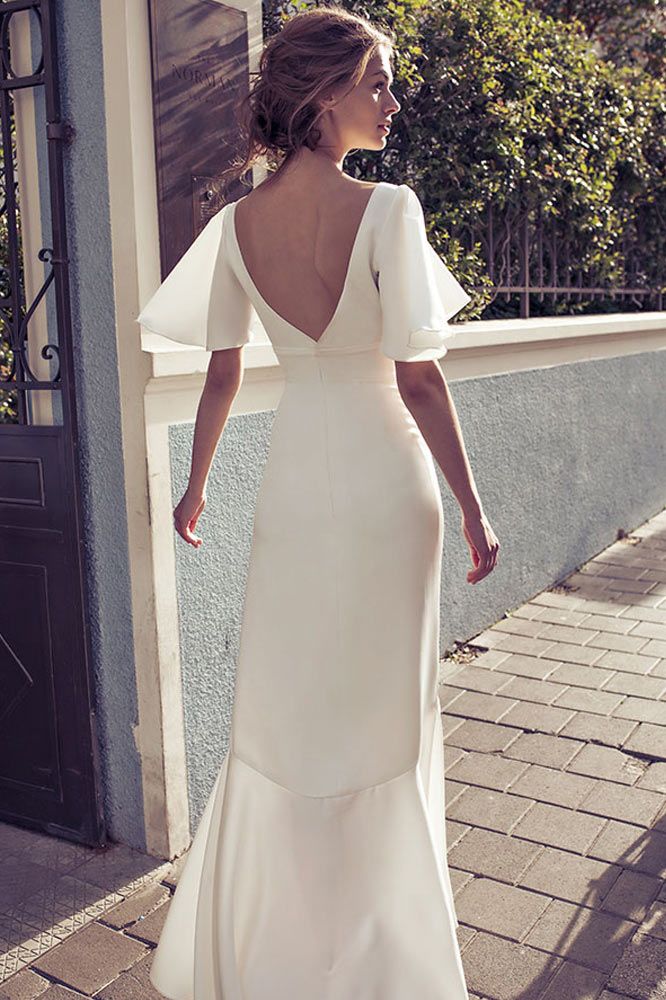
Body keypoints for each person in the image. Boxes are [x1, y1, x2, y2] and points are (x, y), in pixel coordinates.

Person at [137, 5, 499, 998]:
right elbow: (418, 380)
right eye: (377, 82)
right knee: (385, 714)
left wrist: (197, 485)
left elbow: (220, 375)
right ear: (324, 96)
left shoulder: (236, 224)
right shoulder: (389, 210)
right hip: (389, 487)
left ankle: (277, 958)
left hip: (297, 485)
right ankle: (385, 960)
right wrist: (473, 506)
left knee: (290, 708)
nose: (392, 100)